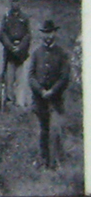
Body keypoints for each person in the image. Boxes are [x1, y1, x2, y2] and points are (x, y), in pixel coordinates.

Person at [29, 19, 70, 169]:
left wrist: (52, 91)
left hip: (55, 99)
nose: (48, 36)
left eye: (50, 33)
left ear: (55, 33)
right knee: (42, 129)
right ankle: (42, 158)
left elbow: (64, 77)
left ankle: (56, 161)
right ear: (42, 35)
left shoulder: (62, 54)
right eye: (45, 33)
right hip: (40, 99)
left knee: (55, 130)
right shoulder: (36, 53)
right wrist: (40, 91)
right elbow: (31, 76)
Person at [0, 0, 31, 109]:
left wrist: (20, 47)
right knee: (9, 77)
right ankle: (9, 101)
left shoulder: (25, 17)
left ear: (20, 2)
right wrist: (10, 47)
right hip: (10, 52)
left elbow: (28, 35)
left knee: (21, 77)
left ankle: (20, 101)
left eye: (17, 1)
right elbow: (2, 34)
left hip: (21, 52)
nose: (15, 4)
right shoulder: (6, 17)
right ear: (10, 2)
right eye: (13, 1)